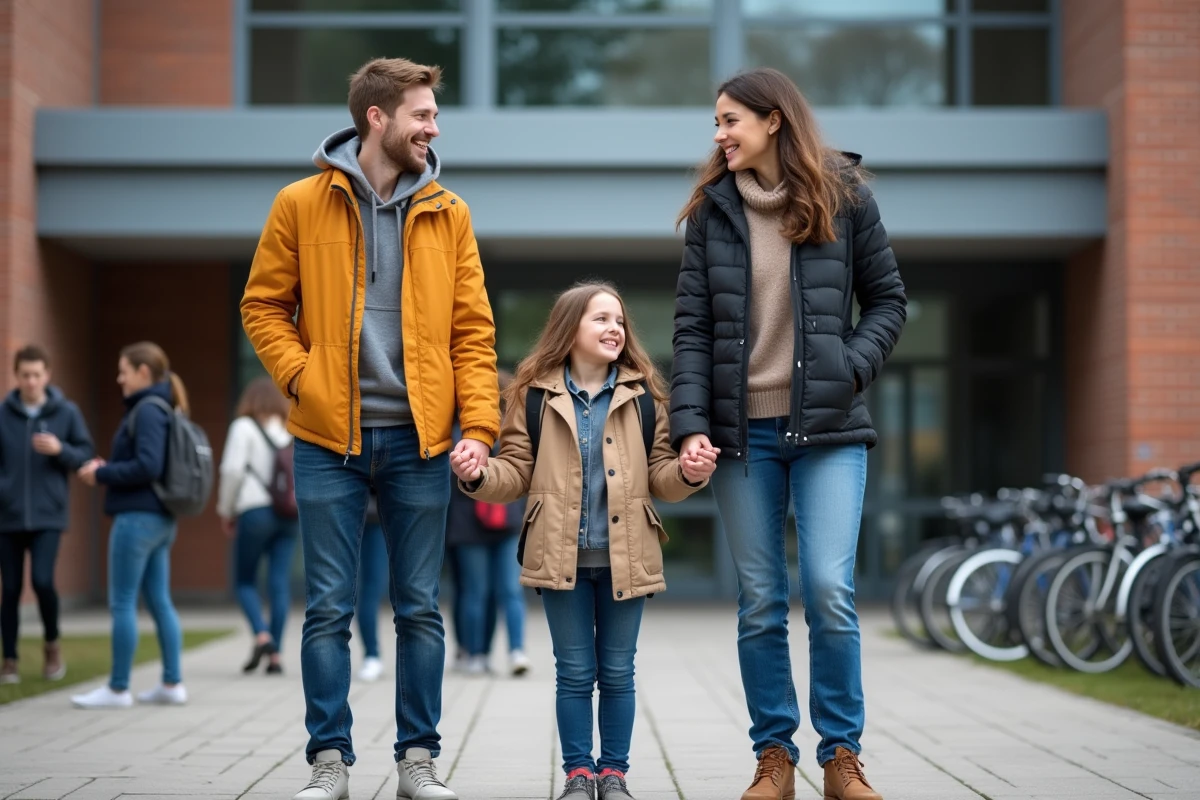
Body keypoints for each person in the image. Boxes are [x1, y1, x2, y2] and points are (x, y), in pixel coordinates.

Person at [241, 56, 499, 800]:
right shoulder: (299, 203)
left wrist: (478, 426)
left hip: (422, 441)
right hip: (329, 439)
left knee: (419, 608)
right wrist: (304, 378)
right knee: (328, 607)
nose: (434, 128)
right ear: (376, 118)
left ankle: (417, 760)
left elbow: (473, 333)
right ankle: (329, 762)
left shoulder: (449, 212)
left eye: (434, 116)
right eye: (423, 114)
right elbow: (263, 305)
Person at [671, 68, 906, 800]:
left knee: (829, 587)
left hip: (828, 428)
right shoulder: (713, 213)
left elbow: (888, 300)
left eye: (730, 120)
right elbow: (692, 330)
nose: (719, 134)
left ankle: (841, 757)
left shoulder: (844, 195)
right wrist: (690, 425)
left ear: (774, 120)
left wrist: (850, 369)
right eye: (716, 122)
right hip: (743, 437)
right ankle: (774, 756)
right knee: (761, 600)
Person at [454, 281, 714, 800]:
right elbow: (515, 471)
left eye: (619, 321)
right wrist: (479, 475)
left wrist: (688, 473)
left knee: (617, 672)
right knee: (573, 673)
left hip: (627, 556)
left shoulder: (645, 397)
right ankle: (578, 773)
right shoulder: (533, 396)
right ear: (569, 329)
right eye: (601, 319)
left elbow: (661, 476)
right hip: (560, 556)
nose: (614, 328)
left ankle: (613, 773)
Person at [71, 342, 192, 710]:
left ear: (143, 372)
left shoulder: (148, 410)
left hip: (137, 519)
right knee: (159, 600)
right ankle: (171, 684)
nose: (119, 378)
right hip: (159, 519)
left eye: (123, 371)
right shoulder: (161, 406)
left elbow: (148, 466)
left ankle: (118, 688)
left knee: (122, 601)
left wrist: (102, 473)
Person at [0, 345, 94, 684]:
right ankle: (9, 660)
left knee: (42, 581)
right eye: (25, 375)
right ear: (16, 375)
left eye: (36, 375)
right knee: (10, 589)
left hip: (48, 515)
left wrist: (60, 449)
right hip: (7, 516)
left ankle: (52, 646)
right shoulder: (3, 414)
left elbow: (85, 454)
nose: (31, 381)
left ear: (47, 375)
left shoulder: (66, 413)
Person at [217, 376, 299, 676]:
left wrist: (226, 510)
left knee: (244, 581)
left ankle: (262, 636)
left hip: (254, 511)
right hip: (289, 514)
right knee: (279, 582)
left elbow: (232, 471)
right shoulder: (291, 427)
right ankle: (275, 656)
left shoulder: (243, 427)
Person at [445, 429, 529, 678]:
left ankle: (511, 652)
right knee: (479, 591)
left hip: (503, 523)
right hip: (471, 526)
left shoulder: (511, 430)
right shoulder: (459, 434)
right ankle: (478, 654)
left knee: (503, 590)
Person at [355, 494, 387, 682]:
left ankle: (372, 655)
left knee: (370, 588)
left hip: (375, 513)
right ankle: (371, 655)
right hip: (374, 511)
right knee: (369, 588)